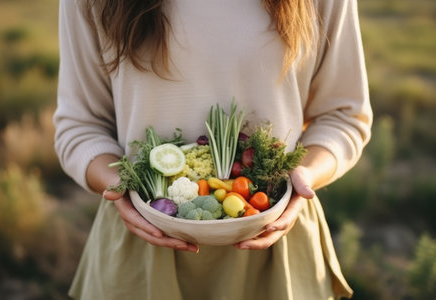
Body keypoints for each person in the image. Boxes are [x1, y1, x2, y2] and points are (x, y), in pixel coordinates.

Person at [54, 0, 372, 299]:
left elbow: (344, 115)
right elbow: (80, 125)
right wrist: (120, 187)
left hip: (272, 242)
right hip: (142, 250)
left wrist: (305, 176)